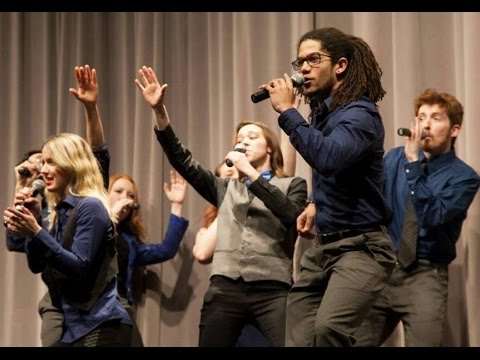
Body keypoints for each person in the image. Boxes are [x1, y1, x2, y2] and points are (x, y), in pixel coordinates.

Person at [135, 65, 307, 346]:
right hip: (226, 288)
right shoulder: (225, 188)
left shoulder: (293, 185)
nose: (244, 142)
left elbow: (290, 214)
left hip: (273, 290)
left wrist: (250, 175)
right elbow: (183, 161)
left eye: (252, 137)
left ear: (270, 148)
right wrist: (159, 113)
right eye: (240, 139)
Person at [260, 27, 396, 346]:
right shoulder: (323, 114)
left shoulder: (361, 114)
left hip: (362, 248)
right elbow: (339, 174)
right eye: (300, 62)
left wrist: (288, 112)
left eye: (313, 59)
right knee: (300, 335)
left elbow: (329, 158)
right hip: (323, 248)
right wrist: (315, 202)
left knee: (329, 330)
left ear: (340, 65)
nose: (303, 68)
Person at [353, 89, 480, 346]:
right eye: (421, 117)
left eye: (435, 117)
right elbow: (366, 197)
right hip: (383, 268)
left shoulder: (463, 177)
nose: (425, 124)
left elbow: (432, 216)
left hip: (425, 275)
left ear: (454, 130)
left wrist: (413, 164)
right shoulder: (394, 159)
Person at [3, 133, 133, 346]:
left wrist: (36, 232)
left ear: (73, 164)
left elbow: (80, 268)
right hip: (73, 328)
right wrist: (34, 223)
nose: (43, 170)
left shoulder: (90, 207)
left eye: (51, 162)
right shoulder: (57, 213)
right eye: (43, 162)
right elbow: (36, 265)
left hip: (101, 324)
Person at [109, 171, 189, 347]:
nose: (126, 199)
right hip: (93, 309)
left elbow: (165, 250)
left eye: (130, 195)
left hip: (120, 305)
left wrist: (176, 205)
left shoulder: (129, 241)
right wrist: (111, 218)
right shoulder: (92, 225)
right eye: (118, 191)